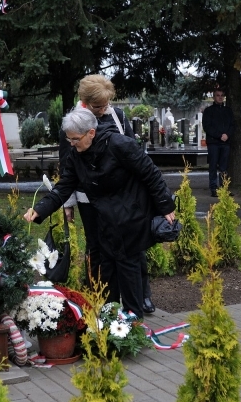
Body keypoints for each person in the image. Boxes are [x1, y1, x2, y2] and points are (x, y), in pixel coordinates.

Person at [26, 108, 176, 318]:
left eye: (75, 139)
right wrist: (40, 209)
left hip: (131, 215)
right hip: (104, 219)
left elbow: (151, 173)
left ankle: (133, 318)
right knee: (106, 269)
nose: (72, 144)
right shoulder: (76, 156)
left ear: (91, 133)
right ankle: (110, 317)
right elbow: (64, 187)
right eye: (69, 139)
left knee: (128, 267)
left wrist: (166, 205)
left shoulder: (120, 144)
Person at [56, 75, 158, 314]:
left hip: (122, 197)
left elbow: (133, 153)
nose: (104, 110)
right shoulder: (73, 122)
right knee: (96, 248)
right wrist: (67, 203)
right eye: (98, 106)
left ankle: (142, 295)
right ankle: (101, 297)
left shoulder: (117, 116)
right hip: (89, 198)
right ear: (85, 102)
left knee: (132, 244)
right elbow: (66, 164)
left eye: (106, 104)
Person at [202, 88, 236, 197]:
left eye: (222, 95)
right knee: (213, 166)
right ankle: (213, 188)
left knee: (224, 167)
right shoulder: (208, 111)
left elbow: (232, 125)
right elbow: (207, 126)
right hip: (213, 142)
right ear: (214, 97)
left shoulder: (228, 111)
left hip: (225, 142)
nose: (220, 97)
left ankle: (224, 188)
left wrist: (227, 135)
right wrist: (219, 135)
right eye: (218, 95)